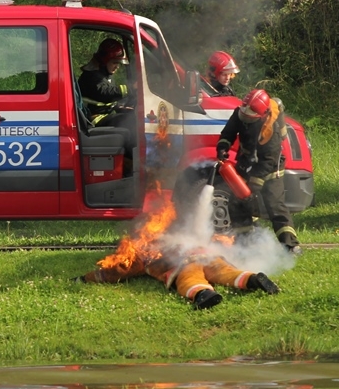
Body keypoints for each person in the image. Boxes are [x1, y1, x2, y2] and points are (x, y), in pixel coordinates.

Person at [76, 238, 279, 310]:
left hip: (183, 264)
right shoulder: (178, 235)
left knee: (190, 281)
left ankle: (203, 295)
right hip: (208, 255)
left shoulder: (142, 252)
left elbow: (118, 270)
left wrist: (87, 278)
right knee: (227, 272)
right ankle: (253, 279)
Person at [216, 88, 301, 253]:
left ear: (262, 115)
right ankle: (244, 242)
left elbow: (268, 161)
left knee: (274, 205)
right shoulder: (240, 113)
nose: (245, 119)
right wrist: (223, 147)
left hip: (269, 169)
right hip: (246, 162)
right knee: (237, 202)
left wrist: (253, 186)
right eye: (244, 114)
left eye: (250, 117)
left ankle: (290, 245)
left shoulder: (271, 129)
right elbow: (228, 132)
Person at [77, 37, 136, 133]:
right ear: (104, 61)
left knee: (131, 114)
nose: (117, 66)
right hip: (93, 118)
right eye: (115, 62)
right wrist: (131, 89)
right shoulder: (91, 76)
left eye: (119, 63)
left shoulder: (105, 74)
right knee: (129, 120)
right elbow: (105, 93)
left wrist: (118, 107)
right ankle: (131, 148)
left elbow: (106, 101)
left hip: (103, 114)